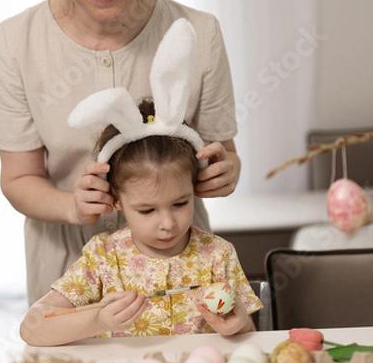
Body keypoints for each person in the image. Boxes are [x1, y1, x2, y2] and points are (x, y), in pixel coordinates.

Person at [0, 0, 241, 306]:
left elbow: (224, 155)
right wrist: (73, 206)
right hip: (68, 272)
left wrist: (224, 173)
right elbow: (18, 179)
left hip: (179, 266)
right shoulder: (15, 42)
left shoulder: (197, 32)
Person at [20, 92, 261, 346]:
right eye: (147, 211)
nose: (168, 223)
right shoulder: (103, 258)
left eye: (180, 203)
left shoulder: (217, 254)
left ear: (195, 189)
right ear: (116, 200)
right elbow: (31, 328)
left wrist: (240, 324)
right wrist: (99, 320)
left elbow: (252, 338)